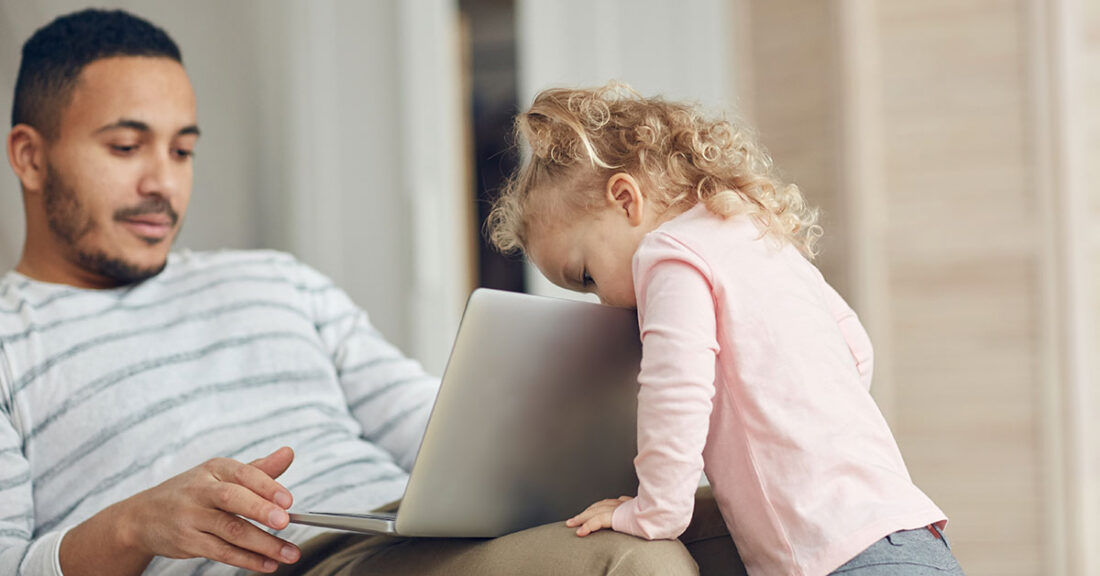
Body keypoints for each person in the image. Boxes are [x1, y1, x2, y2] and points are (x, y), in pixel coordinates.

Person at [0, 9, 737, 576]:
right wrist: (132, 525)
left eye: (182, 150)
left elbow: (432, 427)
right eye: (126, 148)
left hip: (397, 539)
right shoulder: (10, 336)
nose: (163, 181)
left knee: (755, 523)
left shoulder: (276, 280)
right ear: (30, 157)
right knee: (634, 560)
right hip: (298, 565)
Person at [486, 82, 967, 576]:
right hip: (909, 534)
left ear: (626, 200)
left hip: (842, 558)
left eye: (585, 276)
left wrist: (654, 510)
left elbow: (677, 392)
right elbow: (855, 348)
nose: (603, 299)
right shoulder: (754, 231)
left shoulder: (669, 255)